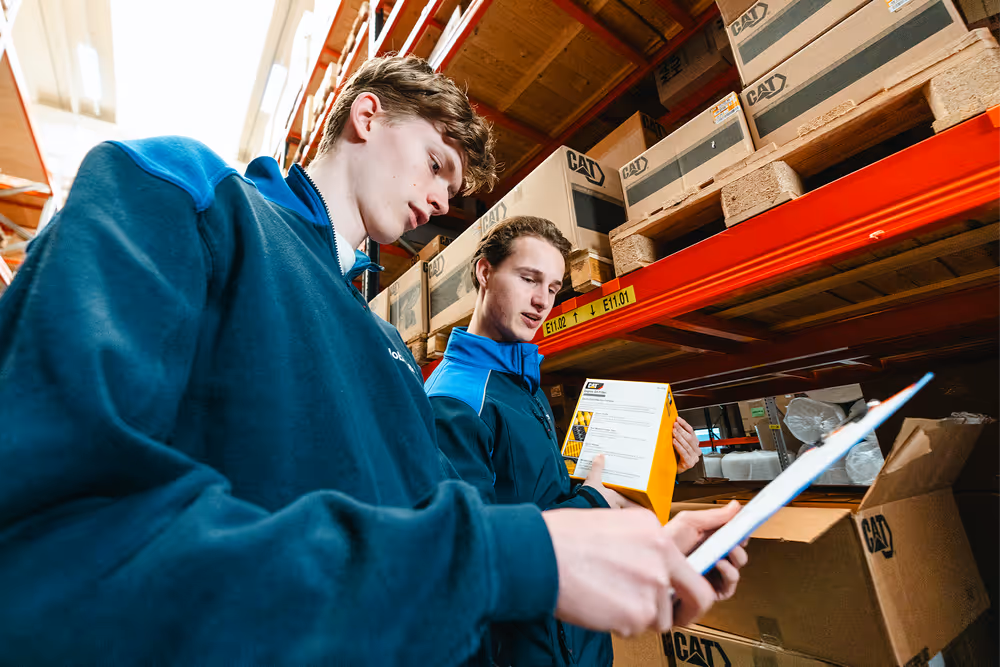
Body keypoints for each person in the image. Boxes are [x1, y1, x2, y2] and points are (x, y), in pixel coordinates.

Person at [0, 55, 742, 665]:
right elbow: (51, 545)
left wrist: (618, 531)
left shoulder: (381, 341)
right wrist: (506, 557)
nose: (436, 198)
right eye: (434, 163)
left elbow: (430, 522)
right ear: (367, 115)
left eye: (450, 190)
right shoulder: (188, 196)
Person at [425, 216, 712, 666]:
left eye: (554, 288)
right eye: (528, 279)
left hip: (581, 645)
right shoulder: (456, 398)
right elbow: (464, 557)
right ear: (485, 272)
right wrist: (594, 505)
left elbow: (554, 497)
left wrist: (658, 465)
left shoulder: (525, 387)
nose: (542, 302)